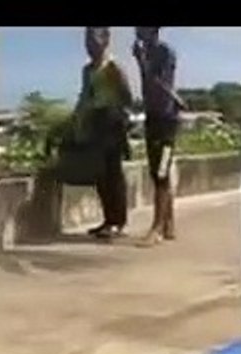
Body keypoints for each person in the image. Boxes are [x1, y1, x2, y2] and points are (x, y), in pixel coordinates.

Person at [77, 27, 135, 240]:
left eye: (93, 39)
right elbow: (85, 96)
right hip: (95, 120)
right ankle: (108, 219)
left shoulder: (113, 68)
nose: (89, 44)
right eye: (87, 40)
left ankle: (118, 221)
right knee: (100, 173)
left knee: (113, 173)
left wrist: (121, 118)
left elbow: (127, 96)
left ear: (105, 40)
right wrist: (79, 120)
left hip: (112, 119)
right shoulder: (87, 70)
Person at [133, 26, 185, 246]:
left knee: (162, 172)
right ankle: (168, 222)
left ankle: (156, 227)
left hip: (167, 121)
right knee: (157, 173)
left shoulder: (165, 52)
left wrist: (141, 62)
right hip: (153, 119)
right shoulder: (145, 52)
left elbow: (158, 83)